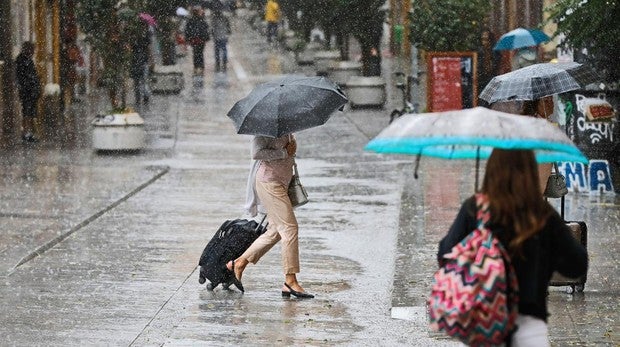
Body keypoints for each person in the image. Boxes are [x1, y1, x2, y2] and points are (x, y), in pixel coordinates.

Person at [437, 148, 588, 346]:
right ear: (529, 173)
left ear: (492, 170)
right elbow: (576, 265)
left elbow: (445, 255)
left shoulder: (474, 208)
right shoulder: (540, 214)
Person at [227, 133, 315, 298]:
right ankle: (290, 280)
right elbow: (256, 153)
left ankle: (238, 263)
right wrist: (284, 152)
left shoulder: (286, 125)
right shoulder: (263, 128)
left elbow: (287, 150)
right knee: (290, 228)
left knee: (276, 231)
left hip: (282, 182)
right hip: (269, 182)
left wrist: (292, 144)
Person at [15, 41, 41, 143]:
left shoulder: (27, 60)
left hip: (31, 90)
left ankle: (29, 133)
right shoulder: (22, 60)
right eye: (32, 50)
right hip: (27, 91)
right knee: (27, 112)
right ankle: (26, 133)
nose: (33, 52)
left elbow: (31, 75)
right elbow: (23, 77)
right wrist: (30, 84)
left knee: (30, 112)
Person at [130, 21, 152, 107]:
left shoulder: (133, 35)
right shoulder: (146, 35)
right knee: (144, 80)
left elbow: (130, 48)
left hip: (135, 60)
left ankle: (138, 98)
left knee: (136, 81)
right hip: (143, 60)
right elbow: (149, 48)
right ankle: (145, 96)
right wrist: (151, 60)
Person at [185, 6, 210, 74]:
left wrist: (188, 39)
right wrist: (206, 38)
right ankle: (201, 67)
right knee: (200, 54)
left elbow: (187, 30)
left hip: (194, 40)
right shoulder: (201, 20)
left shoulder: (190, 20)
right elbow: (206, 30)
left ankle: (196, 67)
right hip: (201, 40)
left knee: (196, 54)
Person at [210, 4, 231, 72]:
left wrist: (213, 34)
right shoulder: (225, 18)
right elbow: (228, 27)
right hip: (224, 36)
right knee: (224, 49)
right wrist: (228, 32)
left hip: (217, 37)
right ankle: (224, 63)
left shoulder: (214, 18)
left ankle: (218, 63)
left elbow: (212, 28)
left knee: (217, 51)